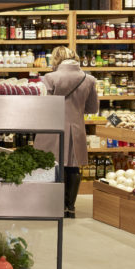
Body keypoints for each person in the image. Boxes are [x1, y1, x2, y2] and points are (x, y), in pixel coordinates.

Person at [33, 46, 98, 218]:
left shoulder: (50, 77)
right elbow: (92, 108)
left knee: (53, 165)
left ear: (56, 59)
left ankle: (56, 205)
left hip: (51, 127)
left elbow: (42, 105)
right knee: (73, 166)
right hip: (76, 127)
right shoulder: (89, 79)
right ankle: (70, 207)